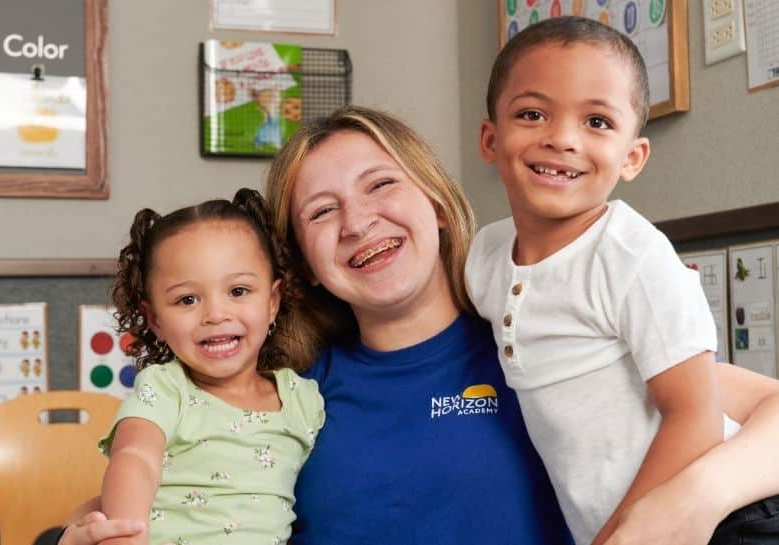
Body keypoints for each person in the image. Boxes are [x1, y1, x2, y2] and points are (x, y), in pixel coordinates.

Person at [59, 107, 779, 545]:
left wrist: (690, 500)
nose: (358, 222)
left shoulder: (538, 343)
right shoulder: (289, 392)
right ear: (301, 264)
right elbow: (159, 491)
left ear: (434, 203)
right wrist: (79, 530)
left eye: (380, 185)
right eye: (321, 212)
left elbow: (760, 410)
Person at [468, 16, 779, 545]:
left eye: (597, 122)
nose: (561, 139)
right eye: (532, 114)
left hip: (728, 522)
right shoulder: (486, 255)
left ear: (632, 158)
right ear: (490, 139)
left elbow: (696, 416)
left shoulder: (634, 256)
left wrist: (619, 535)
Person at [97, 188, 324, 545]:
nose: (216, 314)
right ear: (155, 320)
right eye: (187, 299)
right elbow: (134, 458)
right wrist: (124, 536)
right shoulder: (165, 389)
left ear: (272, 302)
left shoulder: (303, 399)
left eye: (238, 291)